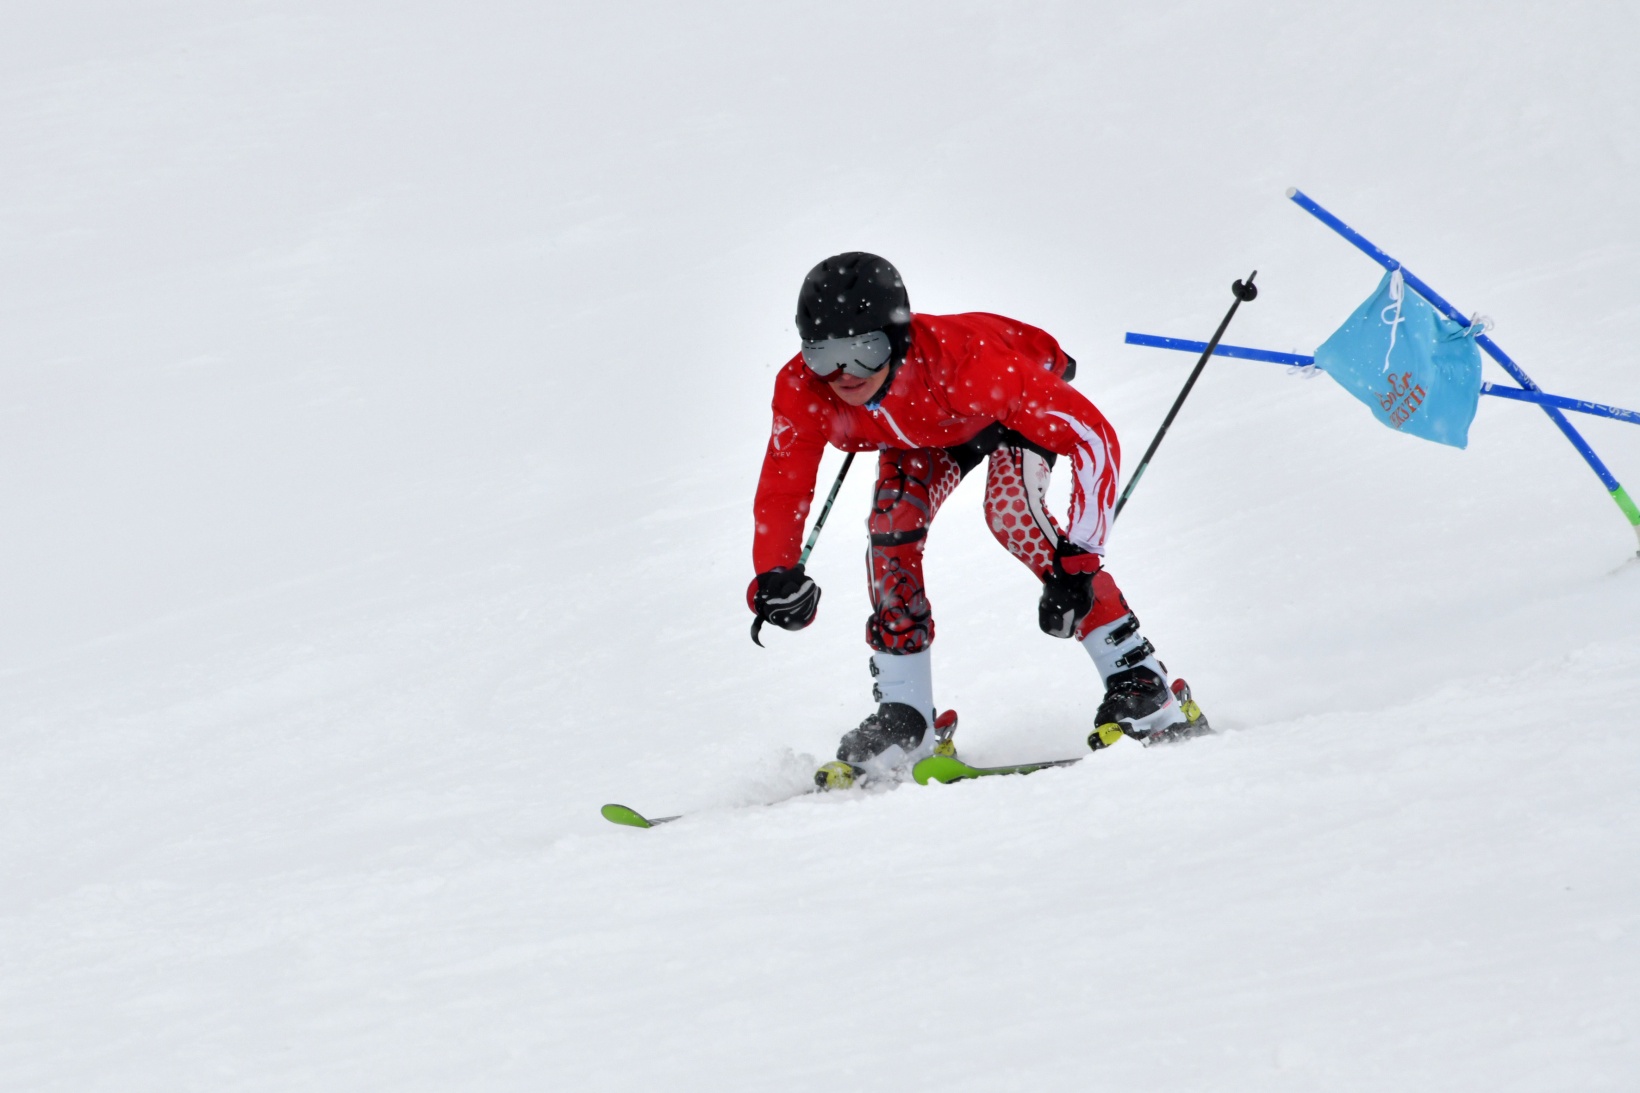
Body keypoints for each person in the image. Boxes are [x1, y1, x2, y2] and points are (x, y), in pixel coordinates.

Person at [748, 252, 1209, 789]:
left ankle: (1138, 678)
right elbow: (784, 485)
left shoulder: (968, 364)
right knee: (891, 526)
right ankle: (906, 712)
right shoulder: (804, 387)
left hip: (1003, 401)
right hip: (928, 428)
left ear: (895, 343)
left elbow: (1092, 438)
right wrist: (776, 575)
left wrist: (1080, 559)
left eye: (863, 351)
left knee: (1014, 516)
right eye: (823, 353)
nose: (843, 374)